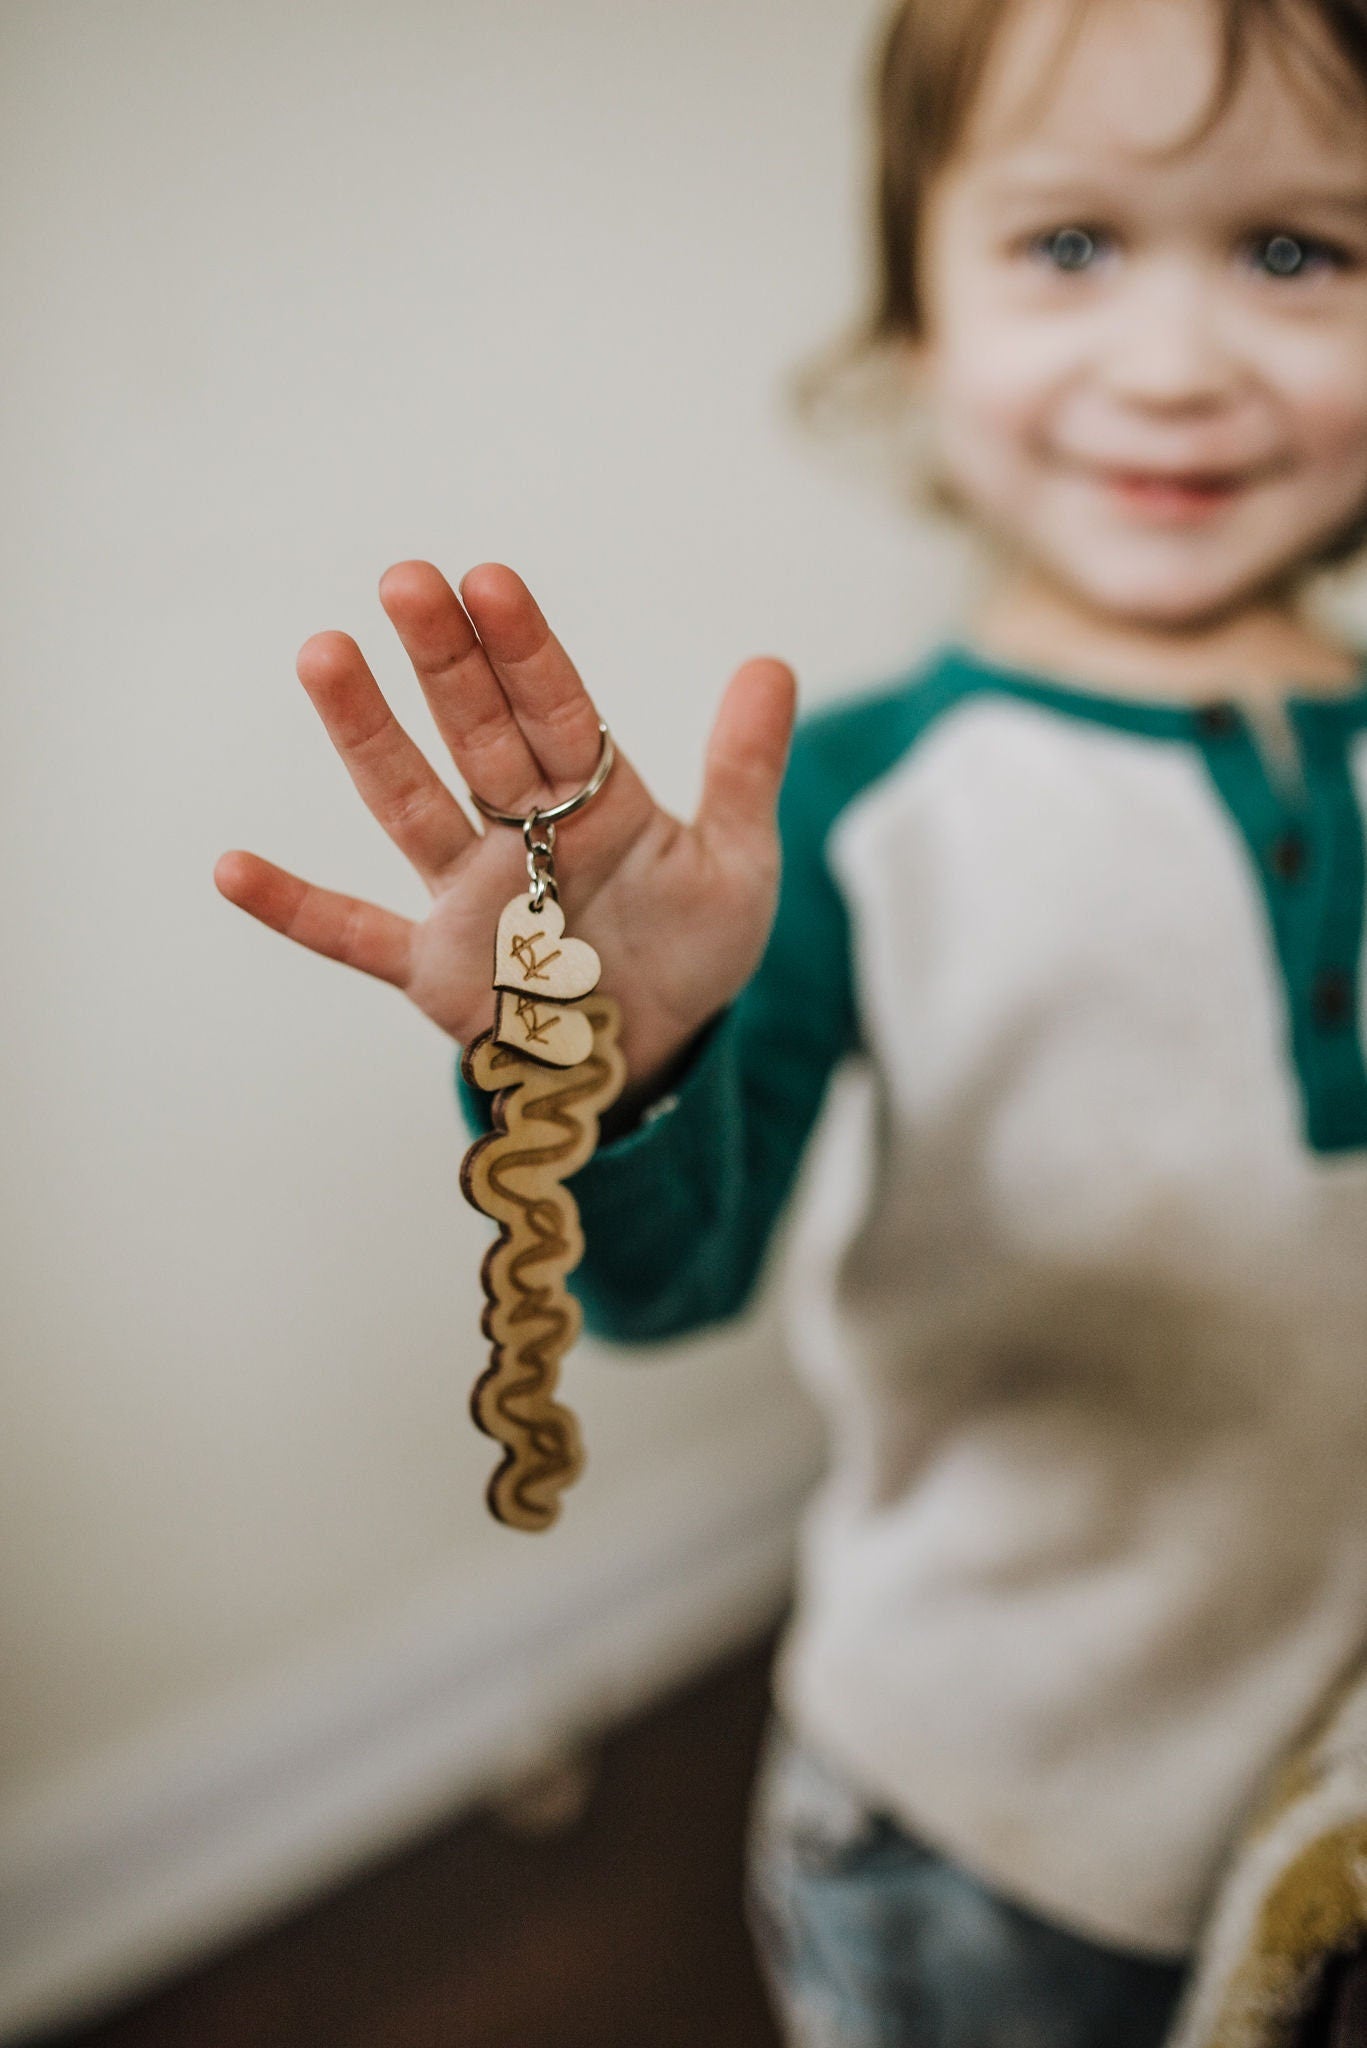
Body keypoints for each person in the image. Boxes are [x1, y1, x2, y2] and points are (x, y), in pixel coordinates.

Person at [214, 0, 1367, 2040]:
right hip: (985, 1827)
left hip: (1317, 1778)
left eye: (1299, 251)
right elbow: (668, 1290)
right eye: (1071, 245)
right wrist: (607, 1063)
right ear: (916, 308)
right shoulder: (855, 805)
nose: (1176, 364)